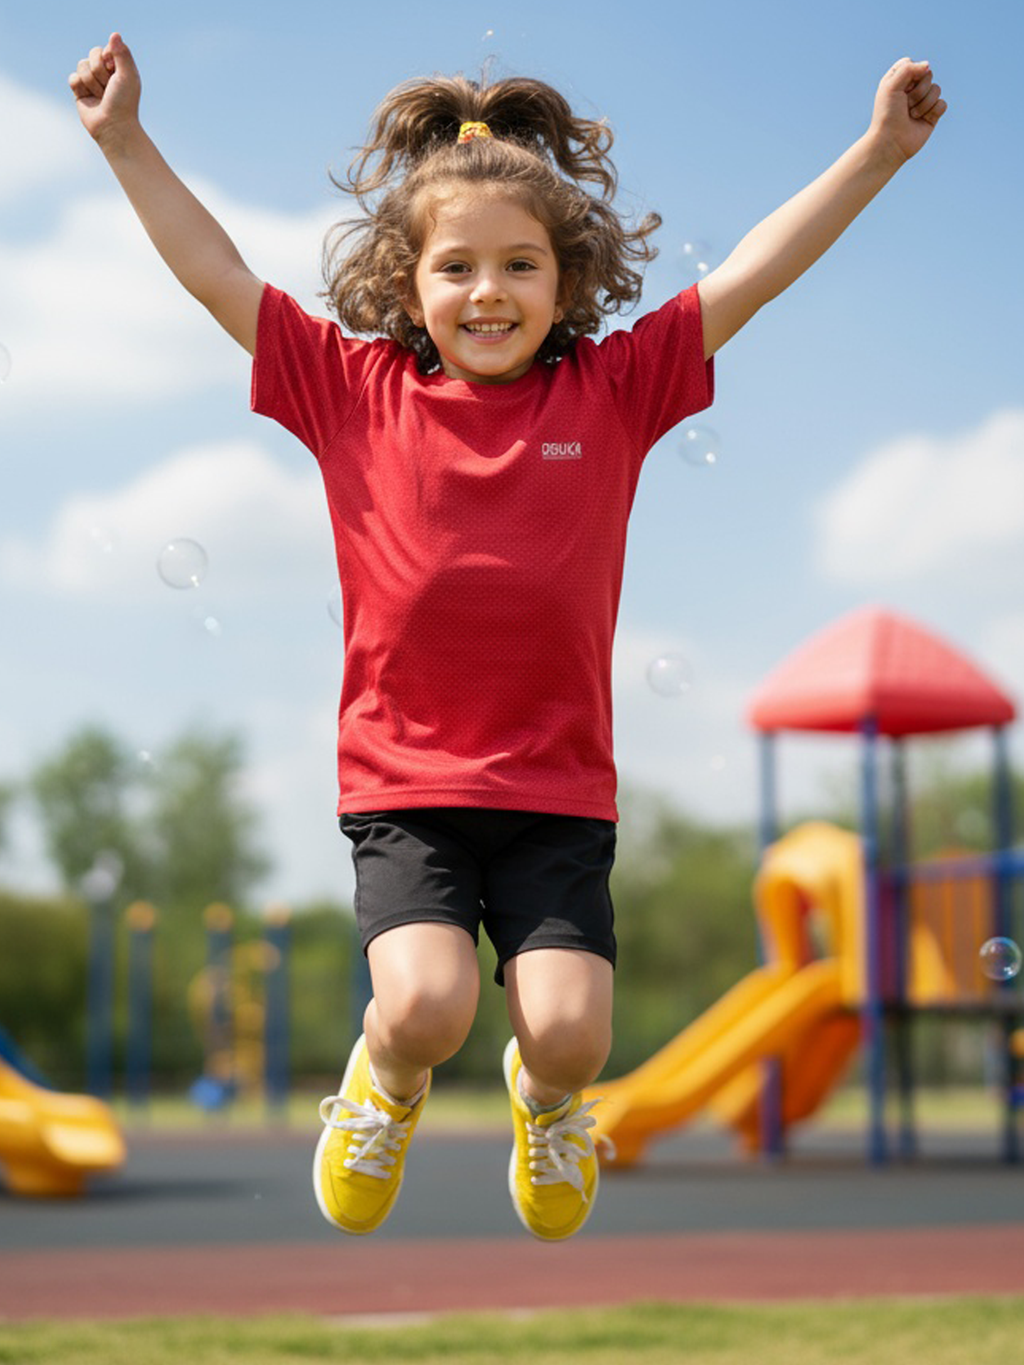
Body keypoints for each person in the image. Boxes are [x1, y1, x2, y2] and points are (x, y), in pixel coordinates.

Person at [69, 34, 946, 1241]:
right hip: (408, 783)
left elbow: (752, 273)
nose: (489, 292)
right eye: (458, 266)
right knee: (425, 1005)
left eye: (521, 266)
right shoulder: (351, 388)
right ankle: (384, 1088)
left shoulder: (615, 391)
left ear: (566, 279)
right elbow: (217, 271)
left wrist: (877, 154)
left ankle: (546, 1110)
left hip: (557, 792)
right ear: (407, 280)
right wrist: (122, 138)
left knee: (573, 1036)